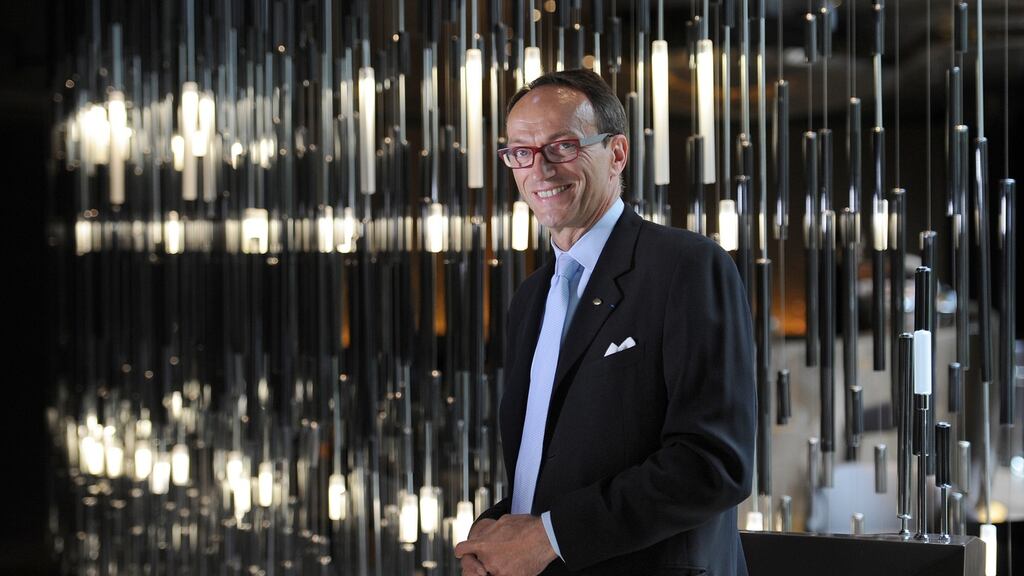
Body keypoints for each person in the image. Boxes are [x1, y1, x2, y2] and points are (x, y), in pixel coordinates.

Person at [454, 69, 756, 576]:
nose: (540, 170)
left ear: (617, 153)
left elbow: (712, 463)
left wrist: (548, 537)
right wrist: (493, 536)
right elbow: (552, 468)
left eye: (562, 146)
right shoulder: (531, 297)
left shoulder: (686, 266)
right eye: (521, 152)